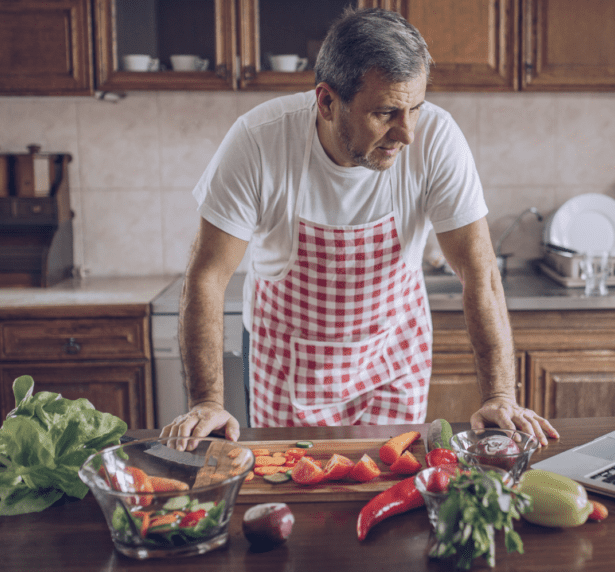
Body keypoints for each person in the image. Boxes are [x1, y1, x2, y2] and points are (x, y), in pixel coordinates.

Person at [160, 7, 558, 449]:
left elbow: (479, 275)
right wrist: (206, 401)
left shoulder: (437, 139)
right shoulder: (259, 140)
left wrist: (500, 395)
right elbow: (206, 277)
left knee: (391, 486)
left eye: (416, 109)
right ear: (327, 101)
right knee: (293, 488)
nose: (406, 134)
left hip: (393, 354)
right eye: (386, 113)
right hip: (288, 360)